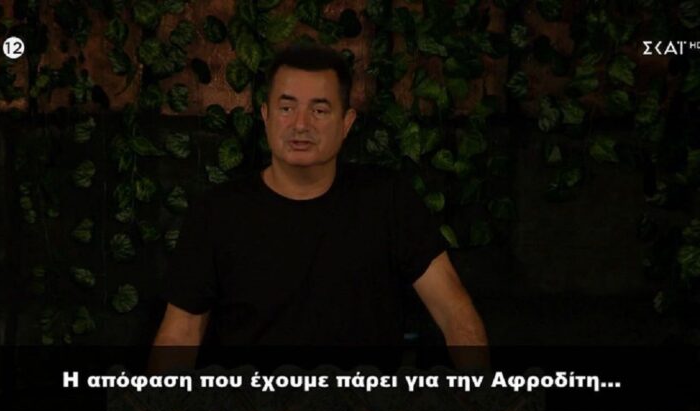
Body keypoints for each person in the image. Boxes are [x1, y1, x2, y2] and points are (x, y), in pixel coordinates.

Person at [153, 43, 487, 360]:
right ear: (266, 116)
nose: (301, 125)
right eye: (287, 108)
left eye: (319, 110)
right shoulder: (217, 212)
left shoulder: (388, 200)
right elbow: (179, 335)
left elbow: (454, 312)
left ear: (346, 123)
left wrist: (479, 393)